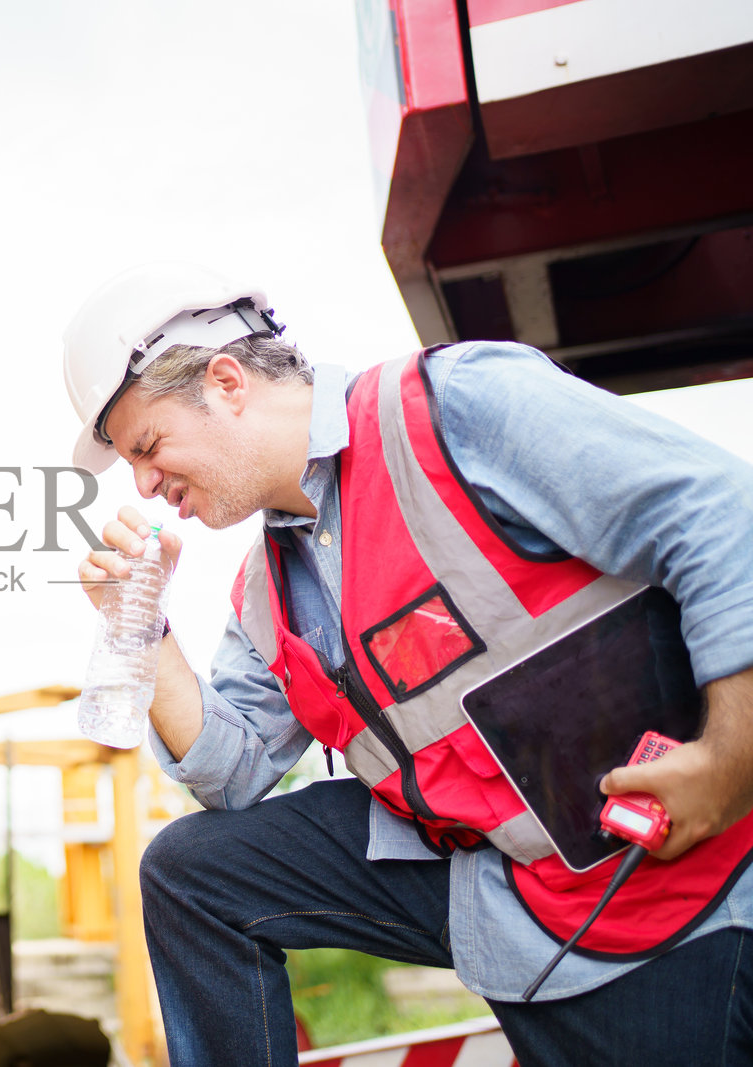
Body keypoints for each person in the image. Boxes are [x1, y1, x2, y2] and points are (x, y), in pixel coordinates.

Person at [61, 262, 753, 1065]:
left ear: (226, 381)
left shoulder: (456, 408)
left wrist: (734, 757)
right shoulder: (268, 590)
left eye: (147, 446)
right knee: (194, 874)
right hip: (498, 875)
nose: (145, 485)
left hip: (667, 880)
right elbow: (231, 774)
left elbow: (721, 518)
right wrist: (145, 634)